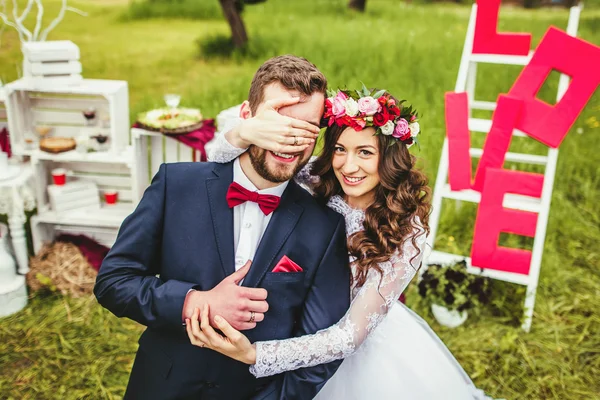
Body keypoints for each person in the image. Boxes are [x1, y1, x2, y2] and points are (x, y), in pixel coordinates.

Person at [188, 87, 491, 399]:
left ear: (389, 158)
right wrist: (249, 130)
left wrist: (255, 354)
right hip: (293, 316)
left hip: (353, 345)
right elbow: (221, 159)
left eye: (365, 152)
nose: (348, 166)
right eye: (340, 150)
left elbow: (348, 337)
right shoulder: (321, 180)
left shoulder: (406, 228)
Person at [93, 55, 352, 400]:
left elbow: (319, 352)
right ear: (246, 116)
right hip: (162, 385)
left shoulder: (325, 226)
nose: (290, 139)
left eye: (305, 128)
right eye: (278, 122)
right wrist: (193, 303)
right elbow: (114, 281)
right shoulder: (176, 185)